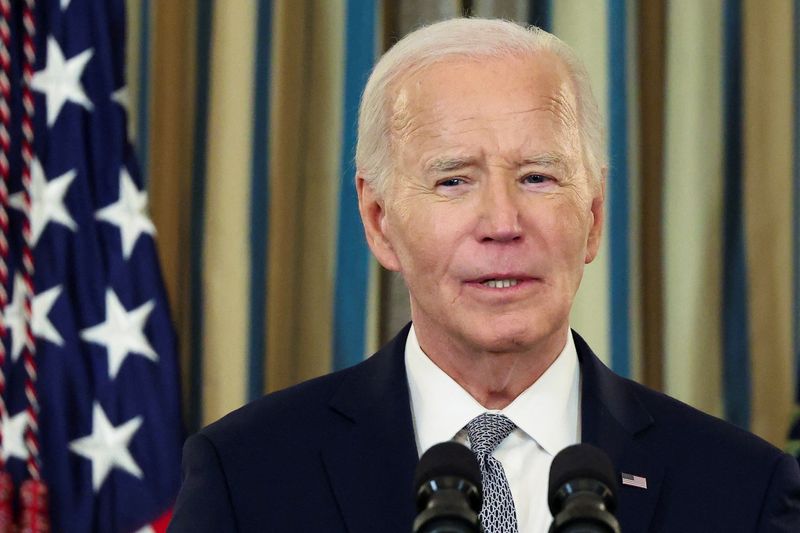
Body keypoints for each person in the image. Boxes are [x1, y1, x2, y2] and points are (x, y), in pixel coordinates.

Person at [168, 18, 800, 532]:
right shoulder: (248, 476)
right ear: (379, 220)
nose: (502, 221)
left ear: (595, 216)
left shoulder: (742, 490)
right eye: (453, 180)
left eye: (537, 177)